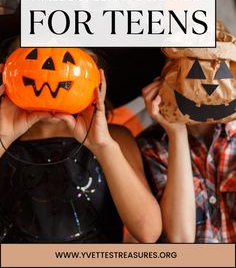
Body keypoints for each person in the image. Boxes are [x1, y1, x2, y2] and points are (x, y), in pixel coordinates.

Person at [0, 47, 162, 243]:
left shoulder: (115, 138)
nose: (51, 69)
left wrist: (102, 145)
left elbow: (148, 232)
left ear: (95, 75)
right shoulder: (3, 141)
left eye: (66, 56)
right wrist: (3, 137)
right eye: (33, 53)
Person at [140, 21, 236, 243]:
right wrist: (176, 134)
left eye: (220, 69)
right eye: (194, 71)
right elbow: (181, 239)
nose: (209, 85)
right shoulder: (152, 147)